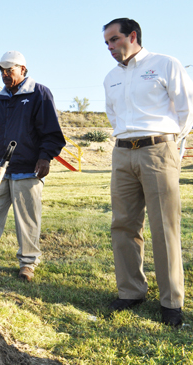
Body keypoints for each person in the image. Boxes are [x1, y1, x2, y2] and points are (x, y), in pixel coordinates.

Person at [103, 18, 193, 326]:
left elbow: (185, 109)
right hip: (122, 152)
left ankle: (171, 302)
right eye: (107, 44)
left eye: (115, 40)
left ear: (133, 35)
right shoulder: (110, 78)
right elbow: (113, 114)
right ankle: (130, 292)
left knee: (163, 226)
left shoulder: (166, 64)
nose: (111, 47)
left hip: (158, 150)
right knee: (123, 224)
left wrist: (170, 146)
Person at [0, 51, 65, 282]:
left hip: (28, 168)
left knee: (27, 219)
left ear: (23, 70)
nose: (5, 74)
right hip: (0, 169)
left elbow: (51, 130)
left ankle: (27, 264)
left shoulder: (39, 93)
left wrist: (45, 157)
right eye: (2, 70)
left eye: (10, 70)